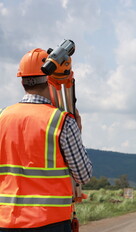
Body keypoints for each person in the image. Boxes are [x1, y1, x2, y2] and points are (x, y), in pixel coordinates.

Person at [0, 48, 93, 231]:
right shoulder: (62, 121)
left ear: (22, 81)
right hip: (50, 222)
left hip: (5, 221)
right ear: (51, 79)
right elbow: (83, 175)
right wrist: (77, 133)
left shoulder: (2, 117)